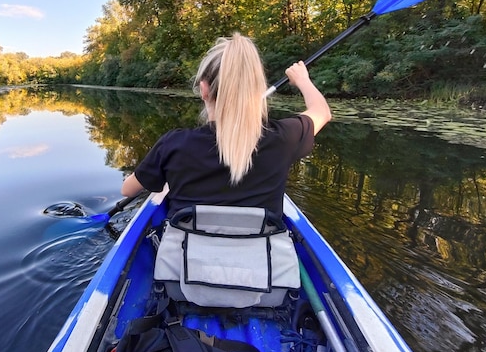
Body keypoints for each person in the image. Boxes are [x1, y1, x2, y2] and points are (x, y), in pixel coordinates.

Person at [121, 33, 331, 218]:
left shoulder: (173, 144)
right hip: (261, 258)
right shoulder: (285, 138)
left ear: (204, 89)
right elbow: (322, 112)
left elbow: (128, 190)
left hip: (187, 259)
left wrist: (163, 170)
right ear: (257, 90)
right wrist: (303, 80)